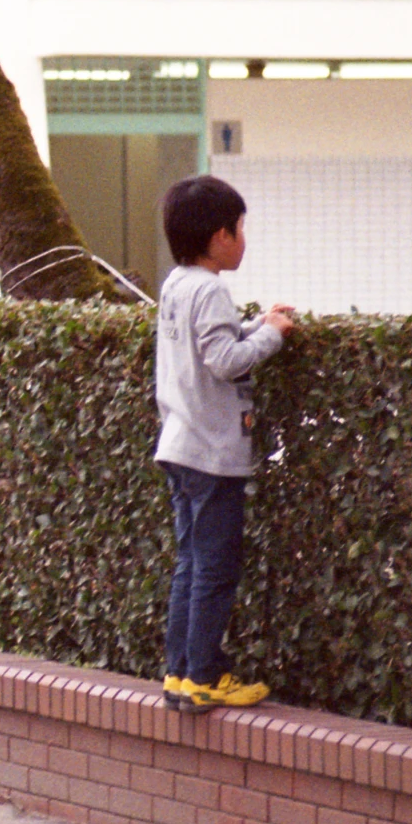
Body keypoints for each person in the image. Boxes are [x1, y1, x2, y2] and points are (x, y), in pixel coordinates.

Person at [153, 174, 296, 715]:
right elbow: (224, 359)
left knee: (190, 564)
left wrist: (254, 323)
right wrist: (272, 335)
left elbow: (207, 342)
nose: (243, 238)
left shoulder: (177, 284)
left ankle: (181, 673)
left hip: (180, 444)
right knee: (215, 568)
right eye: (240, 228)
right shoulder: (210, 288)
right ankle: (207, 676)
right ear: (219, 237)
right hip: (213, 453)